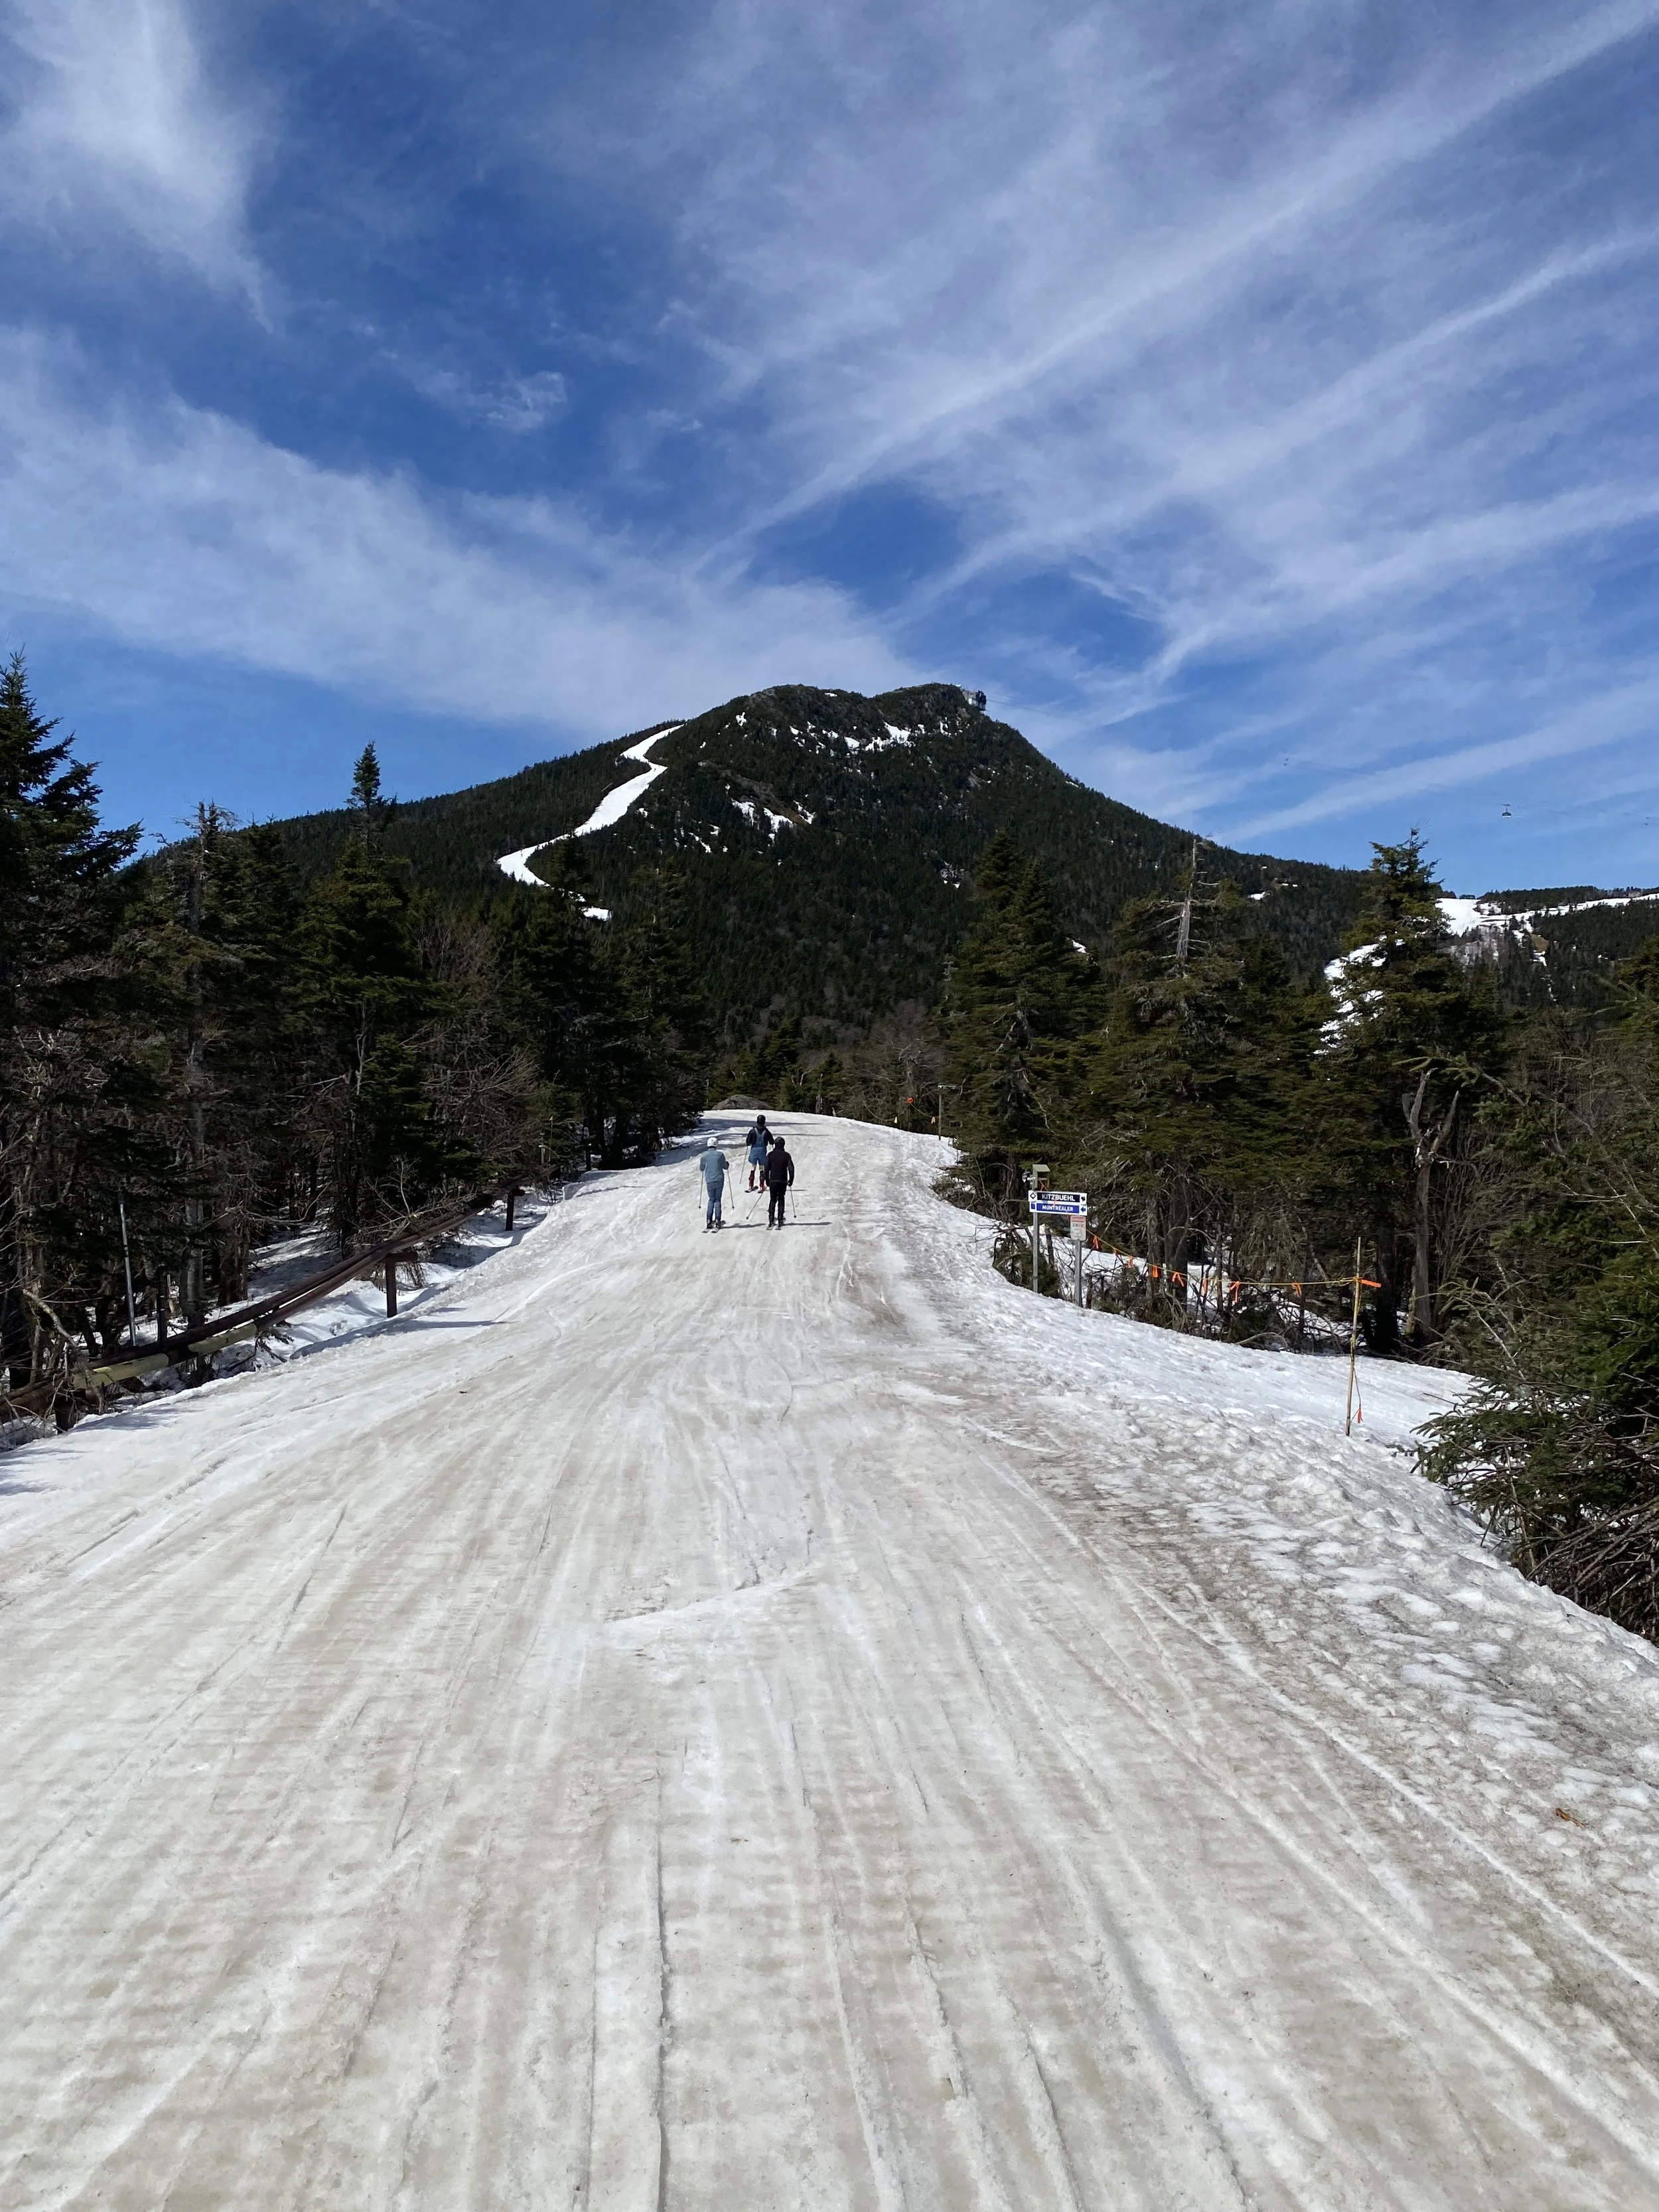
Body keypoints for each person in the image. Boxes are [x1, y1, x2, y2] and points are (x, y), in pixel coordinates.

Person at [762, 1132, 794, 1228]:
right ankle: (780, 1219)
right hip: (783, 1181)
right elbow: (791, 1168)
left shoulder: (770, 1155)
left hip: (773, 1180)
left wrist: (767, 1180)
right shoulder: (787, 1155)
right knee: (781, 1198)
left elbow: (766, 1168)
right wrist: (791, 1179)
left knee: (773, 1199)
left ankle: (771, 1219)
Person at [698, 1136, 730, 1230]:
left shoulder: (704, 1156)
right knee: (718, 1200)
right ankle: (718, 1221)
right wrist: (727, 1164)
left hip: (709, 1180)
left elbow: (701, 1168)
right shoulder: (720, 1155)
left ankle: (709, 1221)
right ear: (716, 1145)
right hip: (719, 1179)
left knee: (711, 1200)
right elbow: (725, 1167)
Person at [743, 1113, 770, 1191]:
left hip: (754, 1151)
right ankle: (762, 1186)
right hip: (762, 1151)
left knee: (753, 1167)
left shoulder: (753, 1131)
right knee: (761, 1168)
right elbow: (772, 1141)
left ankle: (750, 1186)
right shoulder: (766, 1131)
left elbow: (748, 1142)